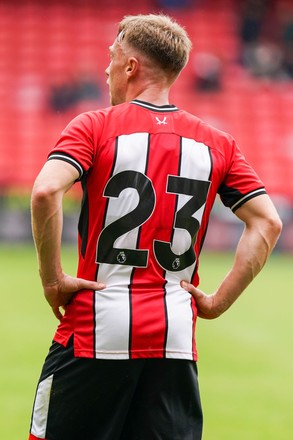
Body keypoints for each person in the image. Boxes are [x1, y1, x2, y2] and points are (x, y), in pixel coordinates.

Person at [28, 13, 282, 440]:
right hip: (175, 340)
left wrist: (51, 278)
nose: (105, 67)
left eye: (111, 56)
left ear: (130, 66)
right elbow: (268, 222)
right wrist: (218, 301)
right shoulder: (217, 143)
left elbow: (44, 192)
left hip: (95, 331)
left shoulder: (94, 126)